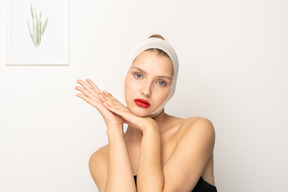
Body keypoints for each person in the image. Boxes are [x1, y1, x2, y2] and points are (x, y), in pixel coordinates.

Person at [75, 34, 217, 192]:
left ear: (171, 89)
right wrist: (114, 128)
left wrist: (150, 129)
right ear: (124, 76)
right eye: (138, 75)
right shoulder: (101, 158)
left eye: (161, 82)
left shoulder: (197, 129)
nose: (146, 91)